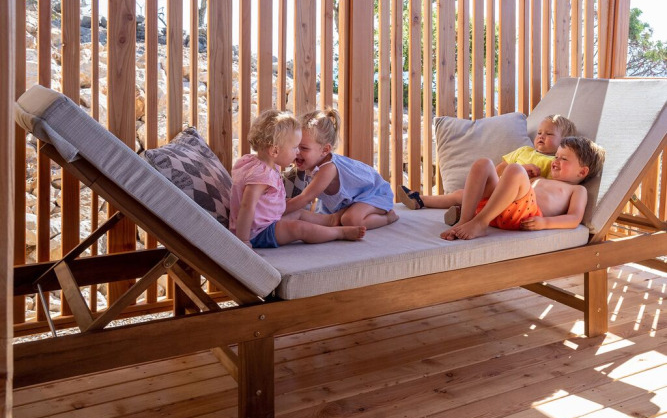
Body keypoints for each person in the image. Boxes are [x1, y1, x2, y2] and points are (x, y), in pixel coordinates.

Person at [398, 114, 577, 224]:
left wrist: (527, 174)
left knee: (466, 196)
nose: (541, 136)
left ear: (564, 141)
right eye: (539, 132)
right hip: (497, 189)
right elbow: (499, 171)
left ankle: (467, 215)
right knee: (463, 193)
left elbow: (550, 192)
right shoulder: (524, 151)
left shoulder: (556, 162)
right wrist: (521, 167)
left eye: (549, 134)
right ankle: (420, 200)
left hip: (516, 200)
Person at [229, 109, 366, 248]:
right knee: (299, 228)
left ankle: (331, 220)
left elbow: (262, 201)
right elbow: (247, 207)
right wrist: (243, 241)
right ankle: (338, 233)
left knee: (299, 213)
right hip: (257, 232)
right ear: (275, 151)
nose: (297, 152)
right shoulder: (261, 176)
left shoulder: (254, 162)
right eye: (294, 147)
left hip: (265, 222)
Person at [440, 136, 605, 240]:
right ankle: (465, 220)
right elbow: (511, 188)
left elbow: (574, 218)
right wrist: (525, 175)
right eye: (556, 156)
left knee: (515, 169)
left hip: (525, 216)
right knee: (483, 164)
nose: (555, 161)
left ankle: (480, 223)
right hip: (499, 209)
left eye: (564, 159)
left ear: (582, 171)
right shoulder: (541, 179)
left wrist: (545, 223)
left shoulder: (577, 191)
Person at [285, 109, 399, 229]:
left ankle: (388, 218)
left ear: (325, 150)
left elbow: (305, 198)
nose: (297, 152)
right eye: (294, 146)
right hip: (348, 202)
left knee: (350, 220)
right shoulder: (308, 164)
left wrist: (275, 211)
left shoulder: (328, 168)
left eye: (303, 148)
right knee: (317, 219)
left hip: (374, 194)